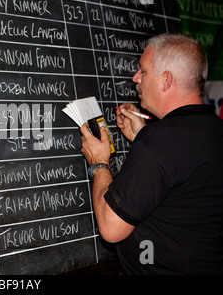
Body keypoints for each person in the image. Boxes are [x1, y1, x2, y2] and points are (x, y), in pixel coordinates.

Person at [80, 33, 223, 274]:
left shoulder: (162, 141)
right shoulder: (213, 130)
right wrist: (141, 137)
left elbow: (110, 228)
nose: (135, 78)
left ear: (165, 80)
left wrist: (100, 163)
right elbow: (182, 173)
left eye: (143, 71)